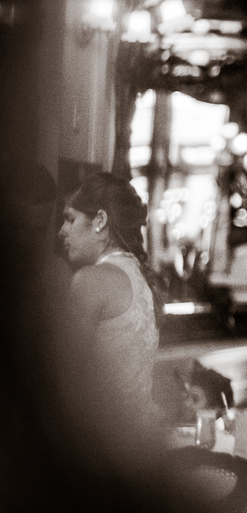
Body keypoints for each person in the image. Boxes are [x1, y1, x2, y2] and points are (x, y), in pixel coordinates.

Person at [58, 172, 159, 438]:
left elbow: (62, 381)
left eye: (70, 219)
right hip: (142, 445)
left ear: (100, 220)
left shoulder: (91, 280)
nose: (61, 231)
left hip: (103, 448)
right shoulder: (141, 277)